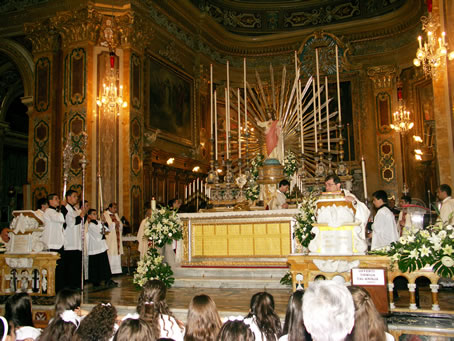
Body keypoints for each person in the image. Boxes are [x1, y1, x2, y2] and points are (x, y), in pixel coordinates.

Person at [61, 190, 86, 289]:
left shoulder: (74, 210)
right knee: (71, 266)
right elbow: (71, 223)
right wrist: (81, 215)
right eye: (74, 196)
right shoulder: (67, 209)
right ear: (68, 198)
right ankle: (70, 285)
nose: (77, 198)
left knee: (76, 266)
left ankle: (76, 284)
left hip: (76, 242)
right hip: (70, 243)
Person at [42, 193, 65, 293]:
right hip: (51, 244)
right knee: (53, 268)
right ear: (50, 201)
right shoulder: (49, 211)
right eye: (56, 199)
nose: (58, 200)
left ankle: (59, 287)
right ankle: (53, 288)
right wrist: (63, 207)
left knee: (59, 268)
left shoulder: (54, 211)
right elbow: (60, 218)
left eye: (58, 199)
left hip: (58, 242)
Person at [86, 209, 115, 288]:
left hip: (101, 246)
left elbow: (107, 229)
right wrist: (103, 230)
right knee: (95, 264)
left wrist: (104, 222)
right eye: (93, 214)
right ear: (89, 216)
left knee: (104, 264)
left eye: (96, 214)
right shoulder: (91, 225)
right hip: (95, 247)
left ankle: (107, 279)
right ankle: (95, 280)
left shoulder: (98, 222)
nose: (95, 215)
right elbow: (99, 233)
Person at [103, 203, 124, 275]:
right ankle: (111, 271)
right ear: (110, 208)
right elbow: (107, 226)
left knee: (117, 253)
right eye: (114, 208)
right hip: (111, 239)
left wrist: (119, 224)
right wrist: (115, 224)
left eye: (116, 208)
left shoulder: (116, 215)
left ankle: (117, 271)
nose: (116, 209)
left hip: (116, 237)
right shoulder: (105, 214)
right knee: (111, 252)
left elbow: (120, 224)